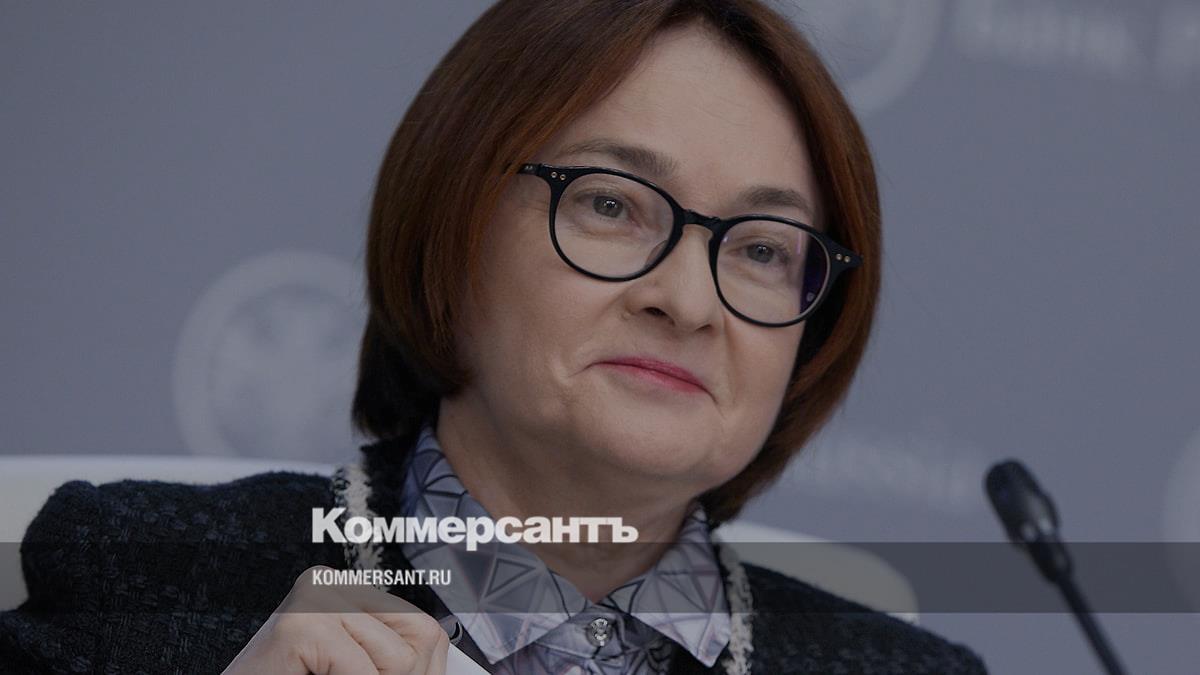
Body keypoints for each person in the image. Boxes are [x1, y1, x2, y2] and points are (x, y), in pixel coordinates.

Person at [0, 0, 989, 673]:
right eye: (611, 204)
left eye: (763, 249)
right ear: (456, 220)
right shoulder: (140, 579)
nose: (689, 301)